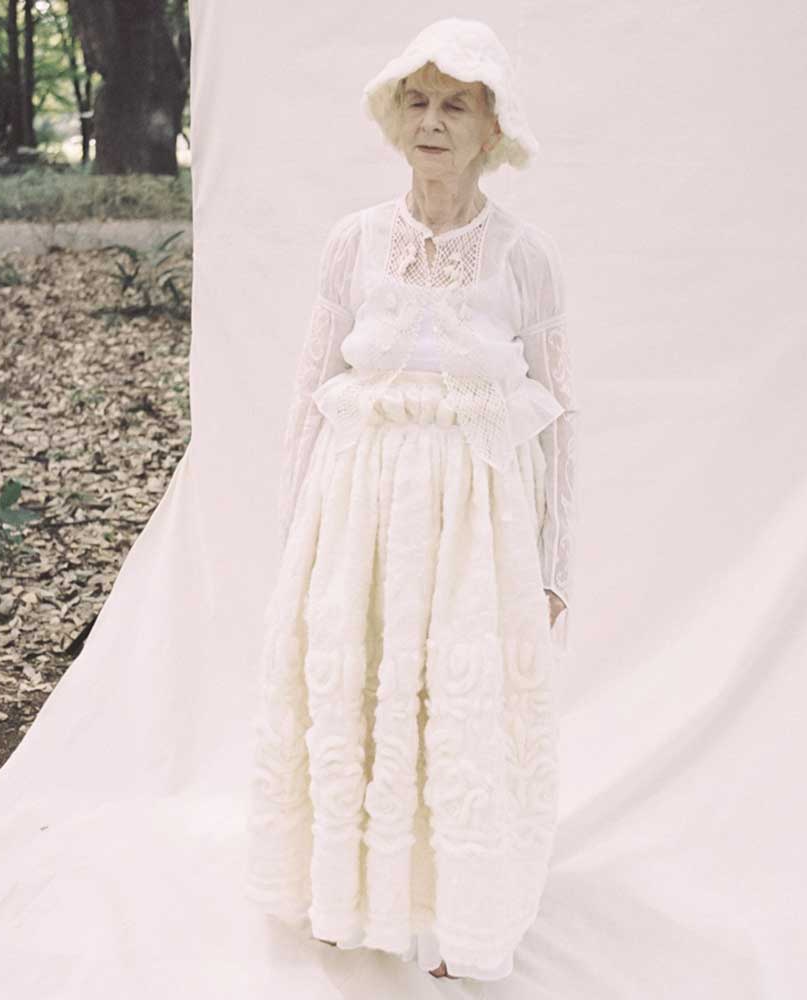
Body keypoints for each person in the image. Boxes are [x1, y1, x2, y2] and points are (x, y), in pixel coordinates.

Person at [244, 17, 578, 983]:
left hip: (477, 524)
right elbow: (311, 393)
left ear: (491, 129)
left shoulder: (527, 258)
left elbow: (560, 425)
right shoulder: (353, 243)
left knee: (458, 711)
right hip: (356, 513)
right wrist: (292, 536)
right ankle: (350, 900)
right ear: (398, 120)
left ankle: (457, 917)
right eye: (419, 103)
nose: (433, 123)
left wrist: (557, 565)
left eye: (456, 105)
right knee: (361, 686)